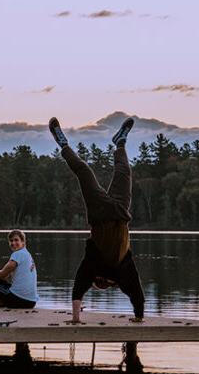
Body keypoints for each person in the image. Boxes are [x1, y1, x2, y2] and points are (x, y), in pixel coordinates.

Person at [48, 116, 144, 324]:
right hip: (120, 211)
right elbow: (137, 293)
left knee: (84, 171)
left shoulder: (92, 266)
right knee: (124, 171)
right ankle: (120, 141)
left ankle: (62, 144)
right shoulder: (123, 271)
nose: (101, 284)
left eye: (98, 284)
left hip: (100, 213)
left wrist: (75, 319)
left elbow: (78, 288)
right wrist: (139, 317)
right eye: (101, 285)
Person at [0, 229, 38, 309]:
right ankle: (4, 301)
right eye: (11, 241)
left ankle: (1, 302)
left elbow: (1, 275)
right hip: (31, 302)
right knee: (6, 284)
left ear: (23, 242)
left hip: (19, 301)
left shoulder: (17, 254)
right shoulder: (27, 255)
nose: (13, 243)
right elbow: (6, 277)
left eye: (16, 240)